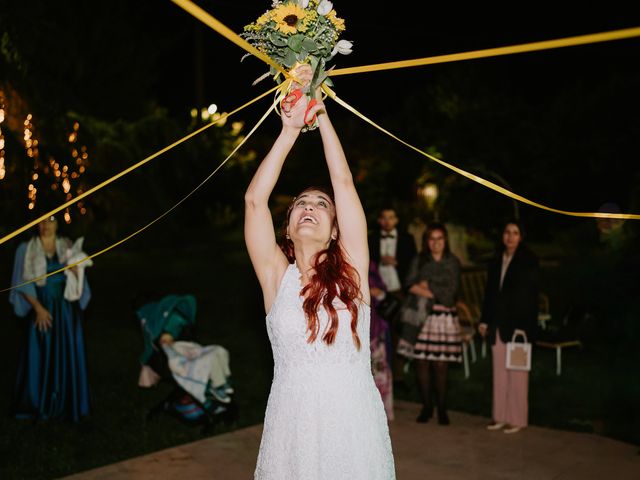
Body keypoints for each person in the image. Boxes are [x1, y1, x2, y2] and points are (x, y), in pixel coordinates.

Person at [244, 65, 395, 479]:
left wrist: (320, 106)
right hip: (292, 430)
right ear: (289, 227)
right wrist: (290, 130)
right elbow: (255, 202)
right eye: (300, 204)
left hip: (352, 428)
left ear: (334, 232)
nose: (309, 207)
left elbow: (343, 183)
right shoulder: (276, 276)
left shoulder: (353, 273)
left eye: (320, 205)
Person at [9, 215, 92, 421]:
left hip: (65, 309)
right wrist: (37, 308)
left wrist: (75, 272)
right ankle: (38, 403)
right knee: (41, 352)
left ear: (58, 223)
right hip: (41, 306)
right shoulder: (26, 248)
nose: (45, 225)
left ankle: (67, 402)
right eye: (41, 220)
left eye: (51, 219)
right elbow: (21, 282)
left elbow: (78, 277)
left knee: (66, 352)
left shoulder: (67, 246)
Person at [478, 220, 539, 434]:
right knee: (500, 373)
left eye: (515, 233)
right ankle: (500, 416)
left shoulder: (528, 261)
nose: (510, 237)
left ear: (521, 236)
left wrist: (524, 327)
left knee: (518, 374)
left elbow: (529, 298)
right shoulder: (496, 261)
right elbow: (490, 295)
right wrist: (484, 321)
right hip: (497, 325)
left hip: (518, 327)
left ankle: (518, 419)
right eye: (507, 232)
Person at [399, 223, 462, 425]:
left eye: (440, 238)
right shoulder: (419, 260)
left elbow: (450, 294)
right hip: (419, 318)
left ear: (445, 240)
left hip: (443, 320)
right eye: (432, 239)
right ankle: (427, 407)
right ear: (427, 241)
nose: (436, 243)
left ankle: (442, 408)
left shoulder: (452, 262)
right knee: (421, 363)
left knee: (440, 364)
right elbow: (409, 284)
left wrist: (427, 285)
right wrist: (435, 290)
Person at [368, 207, 416, 386]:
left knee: (398, 332)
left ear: (396, 220)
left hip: (398, 292)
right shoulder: (371, 239)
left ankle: (398, 376)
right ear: (380, 221)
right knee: (375, 333)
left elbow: (413, 263)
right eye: (384, 218)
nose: (387, 221)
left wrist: (398, 262)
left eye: (391, 218)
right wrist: (380, 261)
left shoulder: (407, 239)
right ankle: (374, 373)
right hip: (376, 292)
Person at [369, 260, 394, 420]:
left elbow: (383, 292)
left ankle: (381, 412)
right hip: (346, 329)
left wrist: (377, 293)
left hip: (374, 327)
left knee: (379, 370)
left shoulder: (370, 265)